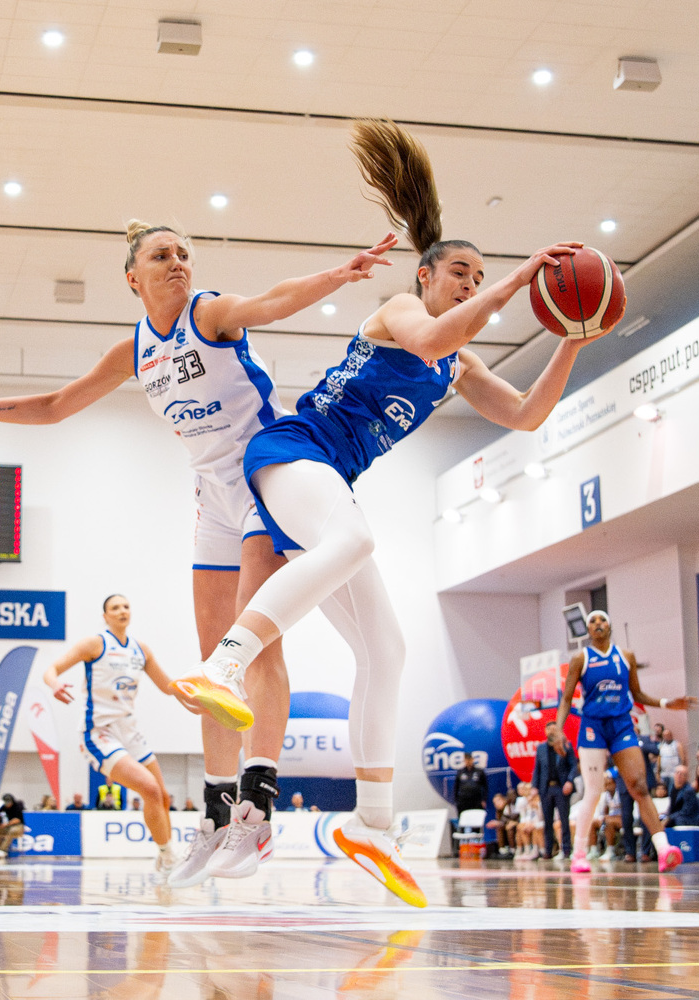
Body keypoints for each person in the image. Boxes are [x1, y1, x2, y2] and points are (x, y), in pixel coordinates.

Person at [176, 120, 598, 907]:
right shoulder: (405, 311)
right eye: (462, 273)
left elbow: (524, 415)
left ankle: (370, 824)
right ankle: (223, 665)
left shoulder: (457, 362)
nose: (471, 284)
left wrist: (571, 338)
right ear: (427, 275)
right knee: (354, 537)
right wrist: (515, 284)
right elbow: (434, 337)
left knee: (388, 649)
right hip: (293, 451)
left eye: (480, 278)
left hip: (325, 482)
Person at [0, 221, 397, 889]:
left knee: (257, 651)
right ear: (132, 278)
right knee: (210, 669)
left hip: (265, 479)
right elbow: (55, 405)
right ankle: (215, 814)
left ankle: (257, 813)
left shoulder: (210, 314)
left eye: (183, 254)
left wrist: (338, 275)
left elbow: (272, 301)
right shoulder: (135, 349)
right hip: (211, 500)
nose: (177, 263)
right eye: (161, 255)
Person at [42, 594, 180, 875]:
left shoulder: (141, 649)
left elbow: (168, 687)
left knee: (163, 797)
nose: (122, 611)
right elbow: (51, 669)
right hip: (99, 731)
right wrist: (55, 685)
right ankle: (170, 859)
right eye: (115, 608)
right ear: (105, 616)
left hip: (130, 730)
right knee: (149, 789)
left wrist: (199, 694)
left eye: (126, 606)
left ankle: (164, 856)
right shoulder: (95, 644)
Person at [557, 610, 696, 873]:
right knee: (594, 791)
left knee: (640, 787)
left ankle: (664, 850)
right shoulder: (581, 658)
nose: (598, 623)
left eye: (602, 620)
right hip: (593, 727)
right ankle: (579, 853)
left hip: (621, 725)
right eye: (592, 621)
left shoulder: (625, 656)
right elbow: (566, 699)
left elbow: (638, 694)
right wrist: (557, 728)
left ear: (609, 626)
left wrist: (666, 703)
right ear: (588, 630)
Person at [532, 723, 578, 859]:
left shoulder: (566, 746)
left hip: (561, 787)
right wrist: (534, 786)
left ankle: (566, 849)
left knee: (564, 820)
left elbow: (573, 765)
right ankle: (548, 850)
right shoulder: (541, 748)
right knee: (547, 821)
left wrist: (570, 781)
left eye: (554, 728)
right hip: (546, 788)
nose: (551, 731)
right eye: (548, 729)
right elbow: (537, 768)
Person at [0, 793, 25, 858]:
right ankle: (1, 850)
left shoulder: (17, 806)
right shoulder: (4, 806)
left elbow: (17, 820)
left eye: (8, 802)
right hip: (8, 826)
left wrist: (6, 824)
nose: (7, 804)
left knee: (12, 831)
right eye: (6, 802)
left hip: (18, 826)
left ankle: (2, 850)